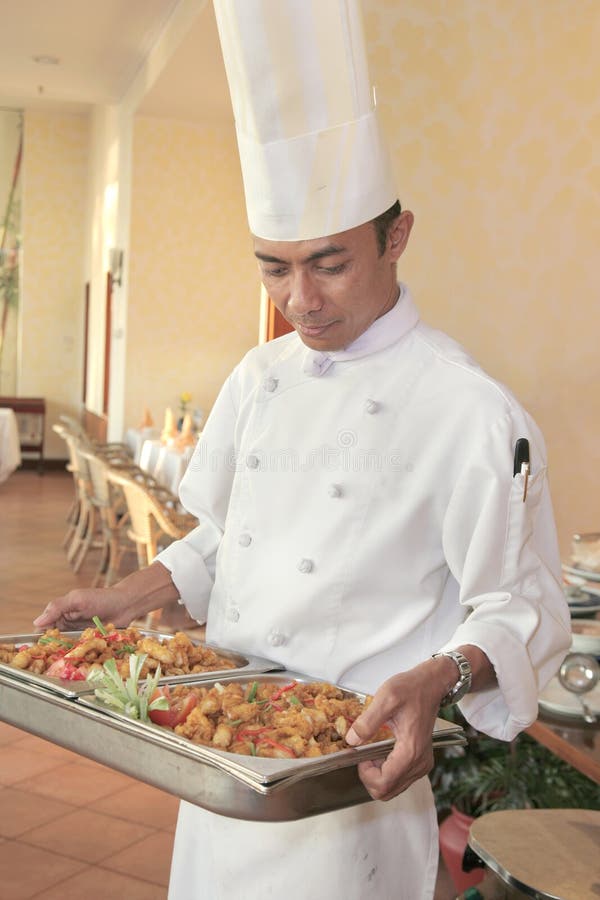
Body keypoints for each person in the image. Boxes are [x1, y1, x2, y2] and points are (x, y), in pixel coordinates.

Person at [34, 2, 571, 897]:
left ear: (396, 236)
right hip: (218, 760)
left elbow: (525, 609)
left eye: (328, 264)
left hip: (346, 786)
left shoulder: (470, 410)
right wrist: (131, 594)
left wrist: (442, 675)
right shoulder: (261, 376)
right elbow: (230, 539)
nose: (302, 302)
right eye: (273, 269)